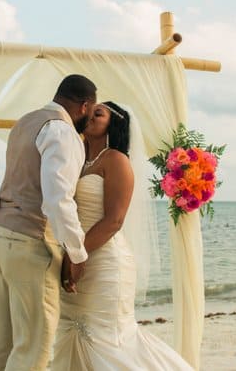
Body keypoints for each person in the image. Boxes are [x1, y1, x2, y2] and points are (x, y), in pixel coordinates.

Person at [52, 101, 193, 371]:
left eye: (99, 113)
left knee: (106, 339)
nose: (90, 116)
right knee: (72, 331)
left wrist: (75, 256)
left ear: (113, 123)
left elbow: (114, 221)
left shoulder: (116, 160)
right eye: (89, 111)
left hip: (105, 261)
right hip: (77, 256)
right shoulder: (78, 159)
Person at [0, 74, 96, 371]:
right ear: (84, 106)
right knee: (34, 347)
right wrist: (77, 252)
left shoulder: (25, 122)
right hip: (28, 240)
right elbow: (58, 199)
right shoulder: (62, 131)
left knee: (2, 341)